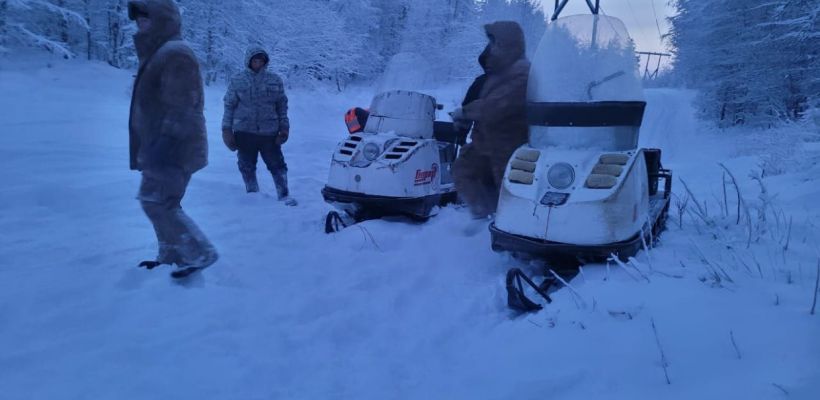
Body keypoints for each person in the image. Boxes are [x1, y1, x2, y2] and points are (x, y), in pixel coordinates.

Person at [127, 0, 217, 272]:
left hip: (174, 148)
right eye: (138, 20)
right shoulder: (158, 54)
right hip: (161, 147)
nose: (141, 24)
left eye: (146, 18)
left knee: (156, 201)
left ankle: (199, 252)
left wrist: (164, 143)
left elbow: (183, 105)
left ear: (162, 18)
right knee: (160, 201)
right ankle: (170, 257)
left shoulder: (175, 53)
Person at [452, 21, 530, 219]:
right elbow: (475, 102)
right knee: (464, 168)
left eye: (495, 44)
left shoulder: (523, 73)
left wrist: (465, 112)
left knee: (510, 195)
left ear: (508, 46)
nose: (491, 48)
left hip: (511, 148)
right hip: (486, 145)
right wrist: (462, 127)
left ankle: (509, 223)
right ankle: (483, 220)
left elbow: (497, 105)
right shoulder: (490, 78)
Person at [222, 47, 297, 206]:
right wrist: (226, 130)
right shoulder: (238, 80)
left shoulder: (275, 80)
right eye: (254, 60)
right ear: (249, 61)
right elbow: (229, 105)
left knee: (277, 165)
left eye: (261, 61)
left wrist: (284, 128)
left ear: (265, 62)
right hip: (244, 132)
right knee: (246, 166)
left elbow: (282, 105)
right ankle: (252, 195)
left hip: (269, 133)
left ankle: (284, 194)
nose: (258, 63)